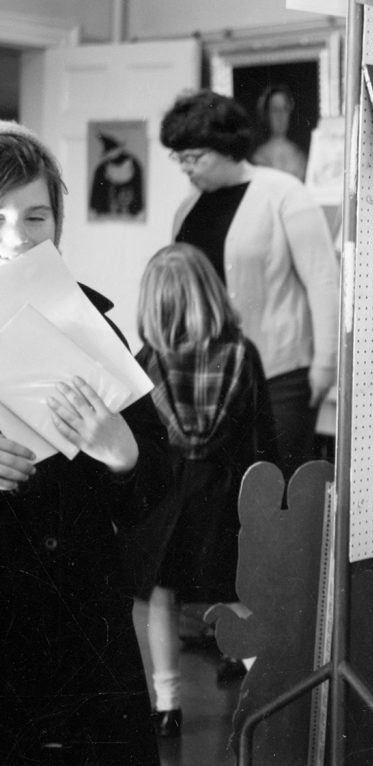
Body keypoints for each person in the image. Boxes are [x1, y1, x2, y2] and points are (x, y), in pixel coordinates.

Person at [0, 121, 169, 764]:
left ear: (58, 225)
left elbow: (157, 483)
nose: (17, 239)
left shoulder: (95, 327)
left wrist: (123, 453)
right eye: (0, 218)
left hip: (84, 641)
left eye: (35, 216)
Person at [125, 243, 278, 738]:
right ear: (210, 294)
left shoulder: (143, 363)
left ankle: (167, 705)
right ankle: (269, 692)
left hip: (167, 509)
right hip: (225, 502)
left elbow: (139, 448)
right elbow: (263, 439)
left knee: (160, 601)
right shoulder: (241, 354)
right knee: (237, 595)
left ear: (152, 304)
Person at [160, 88, 339, 479]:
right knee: (225, 490)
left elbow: (324, 281)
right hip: (210, 373)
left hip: (282, 373)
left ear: (227, 147)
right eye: (180, 158)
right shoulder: (186, 209)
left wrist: (326, 364)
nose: (187, 168)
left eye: (195, 157)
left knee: (280, 484)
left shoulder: (284, 194)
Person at [251, 83, 308, 180]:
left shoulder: (299, 154)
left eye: (285, 109)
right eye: (275, 110)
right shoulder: (259, 156)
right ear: (266, 114)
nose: (281, 116)